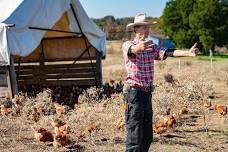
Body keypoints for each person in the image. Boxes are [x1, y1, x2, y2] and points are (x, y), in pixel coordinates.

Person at [122, 13, 198, 152]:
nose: (147, 30)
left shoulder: (152, 46)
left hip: (146, 94)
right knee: (134, 139)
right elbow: (133, 50)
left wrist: (188, 53)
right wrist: (139, 47)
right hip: (134, 94)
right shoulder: (128, 45)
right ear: (136, 29)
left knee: (147, 137)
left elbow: (168, 52)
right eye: (144, 27)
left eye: (148, 27)